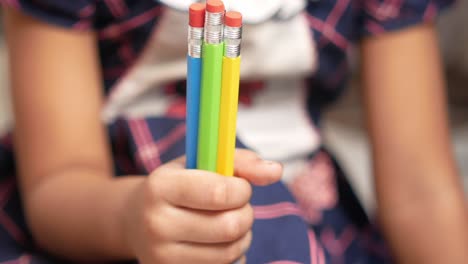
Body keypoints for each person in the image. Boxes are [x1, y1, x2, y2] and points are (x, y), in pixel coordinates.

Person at [0, 0, 467, 263]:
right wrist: (131, 218)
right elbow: (58, 183)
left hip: (297, 213)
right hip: (107, 212)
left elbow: (421, 191)